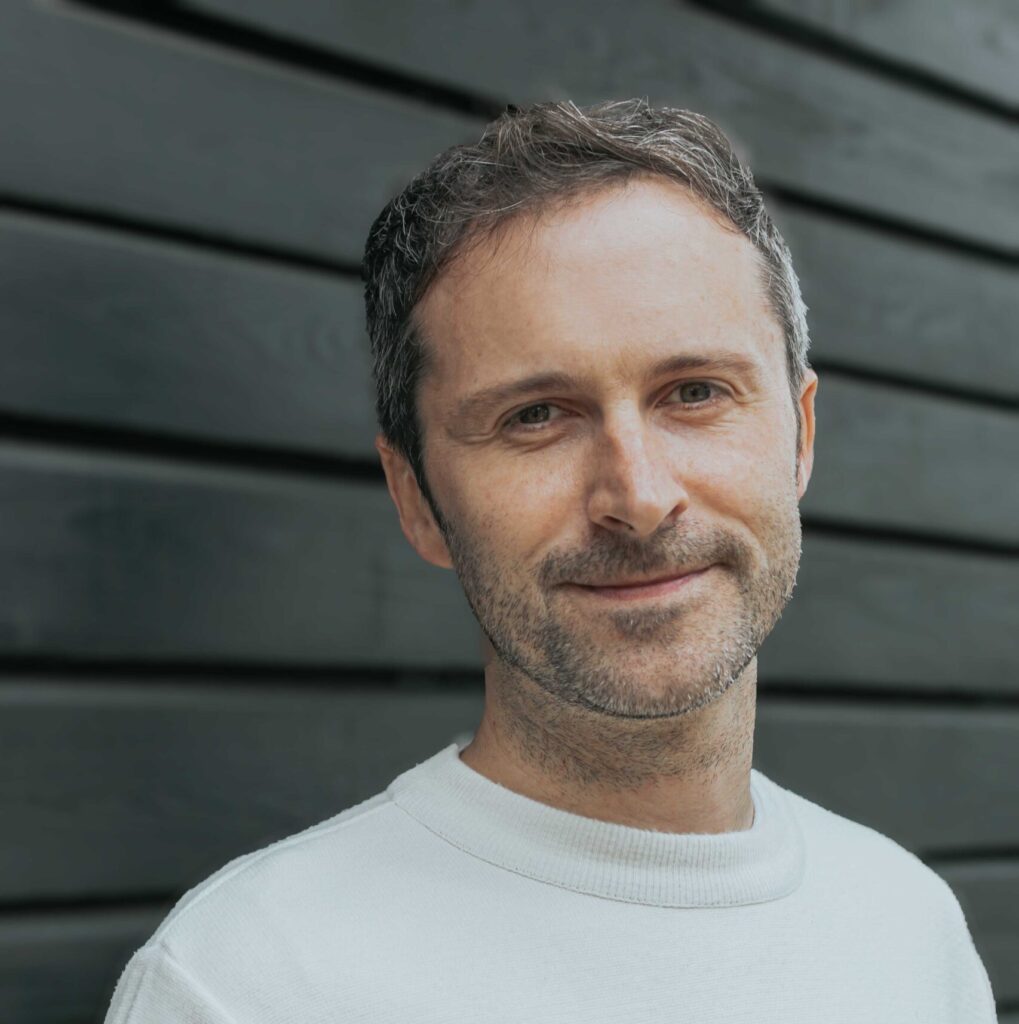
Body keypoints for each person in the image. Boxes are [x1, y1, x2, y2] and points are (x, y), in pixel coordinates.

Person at [103, 99, 996, 1022]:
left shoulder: (906, 926)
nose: (638, 495)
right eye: (535, 416)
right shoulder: (247, 983)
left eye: (694, 392)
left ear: (800, 436)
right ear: (416, 498)